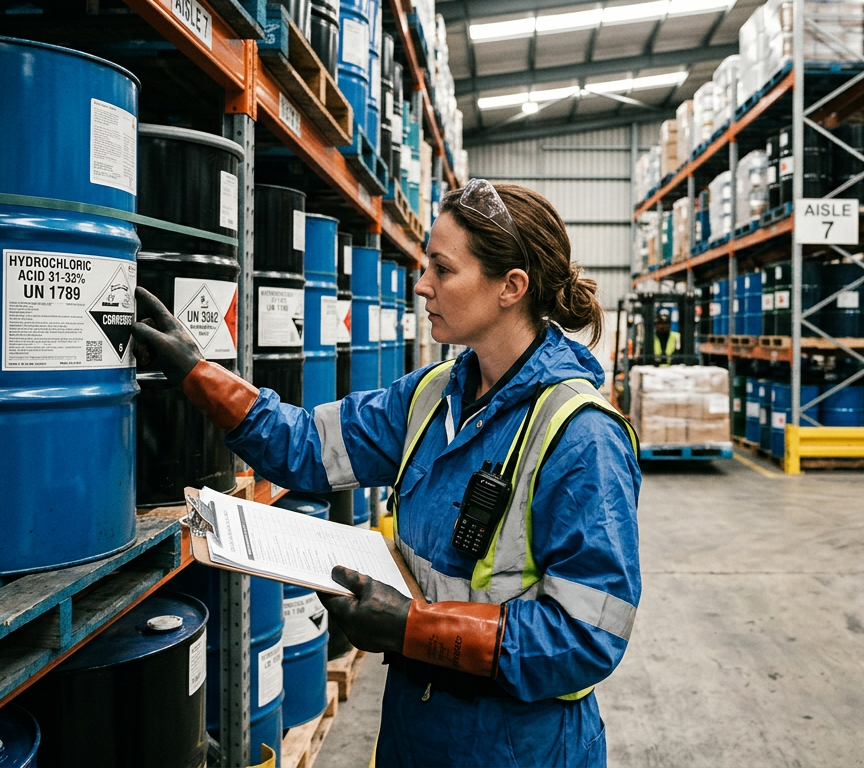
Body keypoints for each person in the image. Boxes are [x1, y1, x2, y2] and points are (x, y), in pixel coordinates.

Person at [132, 180, 642, 768]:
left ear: (511, 287)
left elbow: (586, 635)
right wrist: (200, 374)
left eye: (442, 270)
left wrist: (414, 627)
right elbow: (305, 447)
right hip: (417, 721)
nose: (421, 285)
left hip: (518, 743)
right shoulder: (431, 397)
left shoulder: (582, 437)